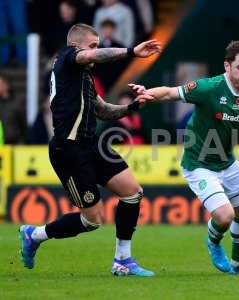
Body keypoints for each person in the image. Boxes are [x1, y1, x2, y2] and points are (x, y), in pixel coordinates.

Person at [132, 41, 239, 275]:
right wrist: (148, 94)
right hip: (199, 164)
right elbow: (170, 92)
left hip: (227, 161)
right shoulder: (209, 88)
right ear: (227, 66)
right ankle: (213, 242)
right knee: (225, 215)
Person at [18, 23, 161, 277]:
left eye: (97, 46)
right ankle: (34, 234)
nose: (96, 51)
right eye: (93, 45)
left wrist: (132, 108)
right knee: (92, 220)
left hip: (90, 144)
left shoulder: (83, 76)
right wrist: (131, 51)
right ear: (76, 45)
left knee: (132, 192)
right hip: (68, 150)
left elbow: (102, 109)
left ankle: (123, 260)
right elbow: (90, 55)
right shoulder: (67, 57)